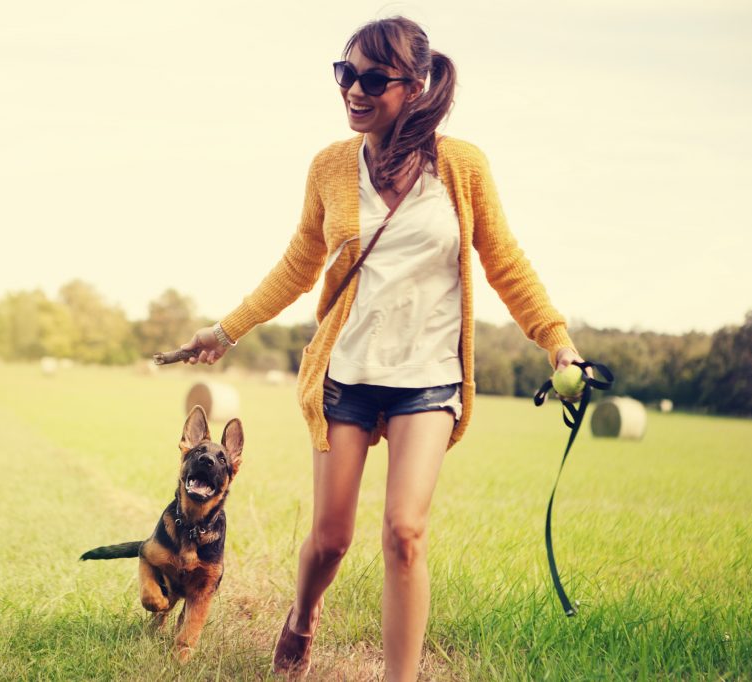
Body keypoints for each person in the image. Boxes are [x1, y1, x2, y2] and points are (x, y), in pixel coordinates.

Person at [180, 16, 585, 681]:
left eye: (372, 78)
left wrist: (556, 341)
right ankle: (304, 613)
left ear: (415, 85)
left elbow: (505, 260)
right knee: (332, 539)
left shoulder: (462, 167)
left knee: (405, 532)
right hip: (348, 373)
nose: (354, 90)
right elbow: (297, 266)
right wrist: (226, 330)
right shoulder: (331, 168)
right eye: (346, 74)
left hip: (428, 378)